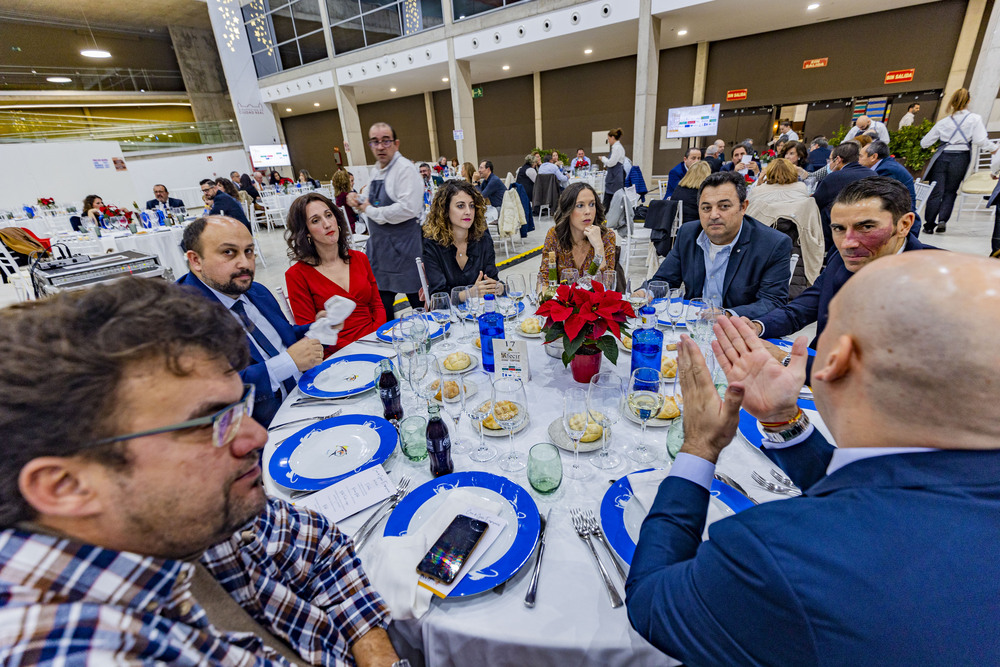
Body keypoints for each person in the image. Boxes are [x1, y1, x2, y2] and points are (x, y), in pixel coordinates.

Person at [627, 249, 1000, 666]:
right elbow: (883, 495)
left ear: (835, 361)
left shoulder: (775, 554)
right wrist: (782, 419)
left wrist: (699, 446)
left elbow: (652, 603)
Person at [0, 277, 398, 665]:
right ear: (67, 486)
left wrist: (373, 650)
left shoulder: (184, 511)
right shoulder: (76, 648)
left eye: (237, 407)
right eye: (211, 421)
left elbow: (320, 546)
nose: (257, 437)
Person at [748, 177, 933, 350]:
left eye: (866, 227)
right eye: (839, 228)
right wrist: (757, 327)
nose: (847, 243)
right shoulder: (840, 259)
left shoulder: (935, 281)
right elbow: (800, 310)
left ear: (904, 225)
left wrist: (786, 360)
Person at [178, 216, 323, 426]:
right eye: (228, 252)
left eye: (248, 251)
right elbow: (206, 393)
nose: (245, 263)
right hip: (256, 430)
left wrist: (318, 328)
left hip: (306, 401)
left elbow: (280, 339)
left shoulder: (255, 291)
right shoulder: (181, 317)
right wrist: (286, 363)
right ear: (195, 260)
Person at [646, 171, 791, 318]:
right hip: (694, 326)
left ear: (743, 207)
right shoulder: (688, 233)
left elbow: (772, 302)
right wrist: (646, 293)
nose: (714, 215)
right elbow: (665, 279)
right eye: (706, 208)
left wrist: (726, 314)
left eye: (724, 206)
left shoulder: (772, 244)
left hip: (740, 331)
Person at [284, 192, 386, 351]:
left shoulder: (359, 258)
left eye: (329, 215)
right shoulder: (297, 275)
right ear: (307, 232)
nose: (327, 224)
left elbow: (377, 304)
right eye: (316, 220)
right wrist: (356, 350)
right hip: (337, 353)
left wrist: (378, 336)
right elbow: (310, 330)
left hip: (376, 339)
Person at [346, 122, 424, 317]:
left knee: (420, 303)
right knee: (382, 307)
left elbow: (407, 208)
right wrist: (358, 199)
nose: (380, 146)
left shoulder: (406, 169)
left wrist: (370, 211)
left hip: (405, 248)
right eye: (375, 142)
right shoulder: (377, 170)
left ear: (396, 144)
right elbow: (373, 200)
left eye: (386, 141)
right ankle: (388, 342)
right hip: (381, 251)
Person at [920, 88, 999, 234]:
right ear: (968, 101)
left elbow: (924, 143)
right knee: (950, 191)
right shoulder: (974, 119)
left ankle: (929, 225)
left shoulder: (943, 122)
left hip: (942, 157)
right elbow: (980, 140)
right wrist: (994, 148)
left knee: (936, 191)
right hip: (961, 157)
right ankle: (943, 220)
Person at [746, 158, 825, 289]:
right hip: (798, 253)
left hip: (764, 249)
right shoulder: (802, 189)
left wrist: (759, 183)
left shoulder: (757, 192)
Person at [422, 180, 499, 298]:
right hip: (448, 315)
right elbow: (437, 298)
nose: (468, 212)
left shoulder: (483, 239)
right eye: (460, 206)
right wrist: (469, 293)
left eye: (472, 206)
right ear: (445, 210)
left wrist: (500, 287)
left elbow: (492, 279)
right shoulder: (432, 245)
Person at [539, 182, 616, 281]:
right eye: (580, 206)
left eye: (592, 204)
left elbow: (607, 285)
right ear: (567, 209)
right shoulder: (555, 234)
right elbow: (544, 279)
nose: (588, 211)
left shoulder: (606, 236)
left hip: (594, 297)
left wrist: (599, 247)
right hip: (562, 297)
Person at [812, 141, 872, 250]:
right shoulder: (872, 173)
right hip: (867, 221)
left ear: (838, 159)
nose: (829, 163)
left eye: (830, 160)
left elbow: (815, 203)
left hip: (839, 227)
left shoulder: (835, 177)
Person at [860, 140, 918, 218]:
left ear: (873, 157)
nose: (858, 159)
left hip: (901, 219)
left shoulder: (887, 169)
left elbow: (878, 198)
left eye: (861, 156)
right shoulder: (886, 164)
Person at [600, 128, 627, 210]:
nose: (608, 141)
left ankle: (601, 218)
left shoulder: (616, 148)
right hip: (616, 175)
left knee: (608, 199)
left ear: (612, 137)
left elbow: (611, 163)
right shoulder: (619, 147)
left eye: (608, 139)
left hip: (614, 177)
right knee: (613, 199)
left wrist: (603, 158)